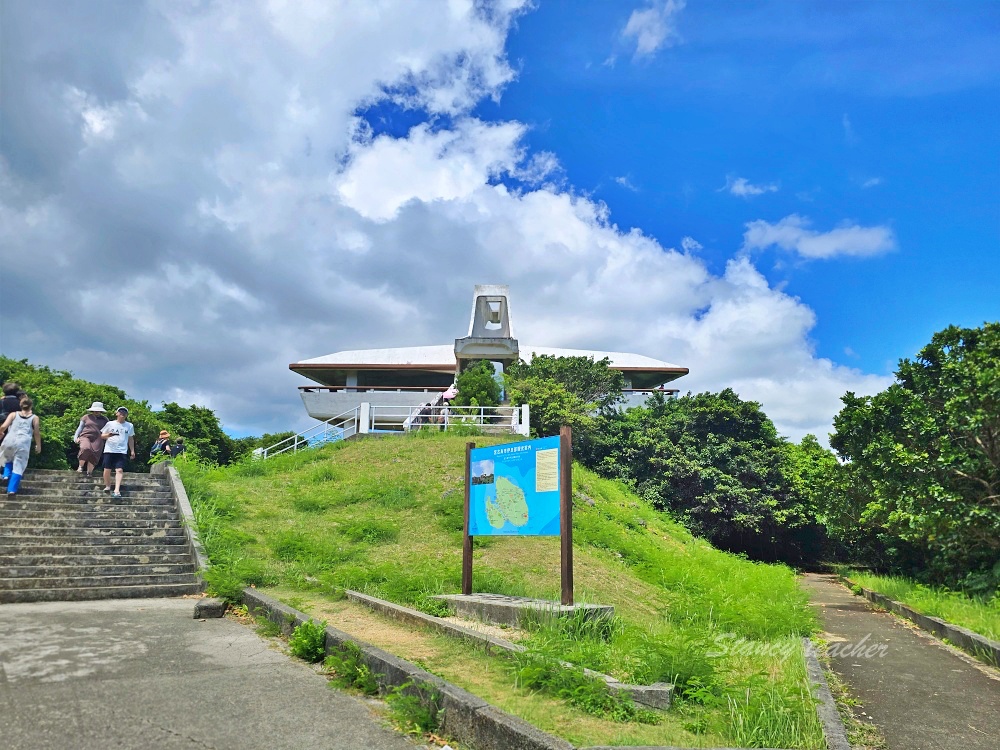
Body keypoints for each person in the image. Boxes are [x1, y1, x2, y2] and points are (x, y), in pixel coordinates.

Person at [0, 396, 42, 496]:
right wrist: (38, 445)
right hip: (23, 443)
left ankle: (6, 475)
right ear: (31, 406)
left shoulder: (13, 414)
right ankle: (12, 490)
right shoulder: (34, 418)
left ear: (20, 405)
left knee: (6, 458)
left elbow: (4, 426)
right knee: (18, 466)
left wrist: (1, 432)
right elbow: (36, 433)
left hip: (10, 440)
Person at [101, 406, 136, 498]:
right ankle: (108, 485)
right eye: (120, 412)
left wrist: (132, 450)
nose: (122, 414)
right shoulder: (110, 424)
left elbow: (130, 438)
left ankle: (117, 490)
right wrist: (109, 435)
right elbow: (102, 436)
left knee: (119, 470)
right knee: (107, 470)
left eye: (124, 412)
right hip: (109, 449)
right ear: (116, 413)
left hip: (122, 451)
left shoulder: (129, 425)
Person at [73, 402, 109, 475]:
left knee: (95, 453)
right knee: (85, 448)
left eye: (98, 410)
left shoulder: (105, 419)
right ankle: (80, 466)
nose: (96, 412)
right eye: (95, 410)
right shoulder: (86, 417)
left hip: (98, 438)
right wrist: (75, 437)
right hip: (85, 436)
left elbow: (108, 430)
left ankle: (89, 472)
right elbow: (80, 428)